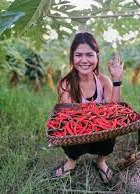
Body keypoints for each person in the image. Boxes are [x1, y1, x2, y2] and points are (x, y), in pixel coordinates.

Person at [54, 32, 124, 184]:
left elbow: (116, 109)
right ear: (72, 57)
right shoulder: (65, 84)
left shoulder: (104, 81)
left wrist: (116, 80)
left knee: (112, 123)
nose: (84, 60)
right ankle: (71, 162)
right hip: (77, 131)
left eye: (89, 55)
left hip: (100, 130)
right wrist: (99, 114)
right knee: (67, 127)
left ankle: (101, 161)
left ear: (97, 57)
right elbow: (70, 118)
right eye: (79, 55)